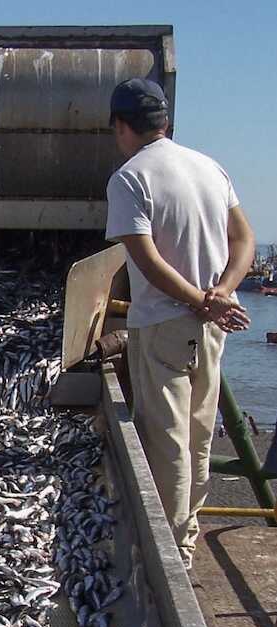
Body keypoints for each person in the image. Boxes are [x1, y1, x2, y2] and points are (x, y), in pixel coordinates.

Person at [105, 78, 255, 569]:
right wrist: (222, 292)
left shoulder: (130, 178)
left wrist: (204, 301)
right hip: (211, 331)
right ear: (165, 121)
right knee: (200, 434)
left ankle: (167, 553)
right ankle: (186, 538)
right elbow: (244, 239)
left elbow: (146, 263)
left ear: (121, 126)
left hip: (164, 326)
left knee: (167, 440)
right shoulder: (210, 167)